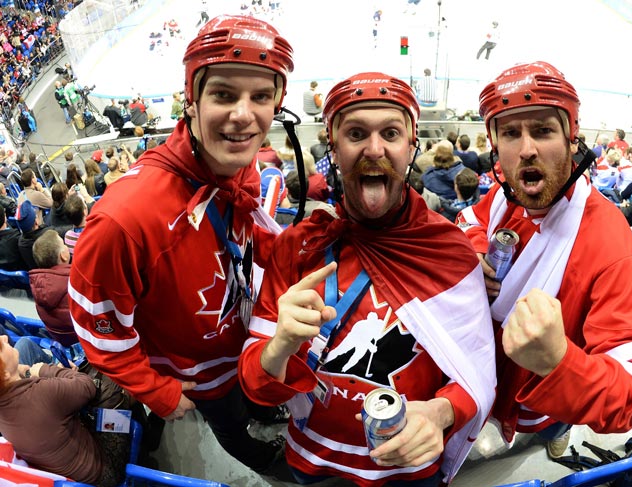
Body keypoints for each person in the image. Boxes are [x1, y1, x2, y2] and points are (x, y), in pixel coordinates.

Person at [239, 72, 496, 486]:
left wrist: (440, 412)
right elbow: (257, 388)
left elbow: (478, 376)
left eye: (390, 133)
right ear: (334, 149)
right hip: (312, 464)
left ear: (411, 147)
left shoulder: (450, 253)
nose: (374, 149)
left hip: (408, 472)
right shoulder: (297, 247)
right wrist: (280, 346)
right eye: (356, 133)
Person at [68, 15, 295, 474]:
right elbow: (98, 331)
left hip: (249, 346)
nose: (243, 114)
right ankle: (264, 460)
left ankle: (263, 408)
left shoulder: (239, 165)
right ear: (191, 100)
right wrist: (159, 392)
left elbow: (245, 242)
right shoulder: (124, 219)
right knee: (234, 427)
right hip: (204, 381)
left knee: (254, 401)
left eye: (261, 96)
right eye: (224, 94)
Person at [456, 61, 632, 459]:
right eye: (512, 133)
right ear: (495, 144)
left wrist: (560, 361)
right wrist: (476, 247)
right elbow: (468, 219)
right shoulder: (504, 197)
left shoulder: (609, 242)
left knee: (555, 423)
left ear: (572, 137)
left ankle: (556, 430)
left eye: (543, 130)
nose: (527, 148)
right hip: (481, 375)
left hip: (540, 401)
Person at [0, 337, 128, 487]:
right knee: (113, 382)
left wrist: (25, 372)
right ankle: (146, 437)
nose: (4, 337)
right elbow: (88, 386)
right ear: (5, 375)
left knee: (24, 345)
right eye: (1, 347)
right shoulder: (43, 393)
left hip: (60, 469)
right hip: (103, 473)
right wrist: (46, 370)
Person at [29, 229, 76, 346]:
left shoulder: (37, 286)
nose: (66, 246)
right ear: (63, 255)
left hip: (62, 340)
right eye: (63, 244)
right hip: (83, 340)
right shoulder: (77, 281)